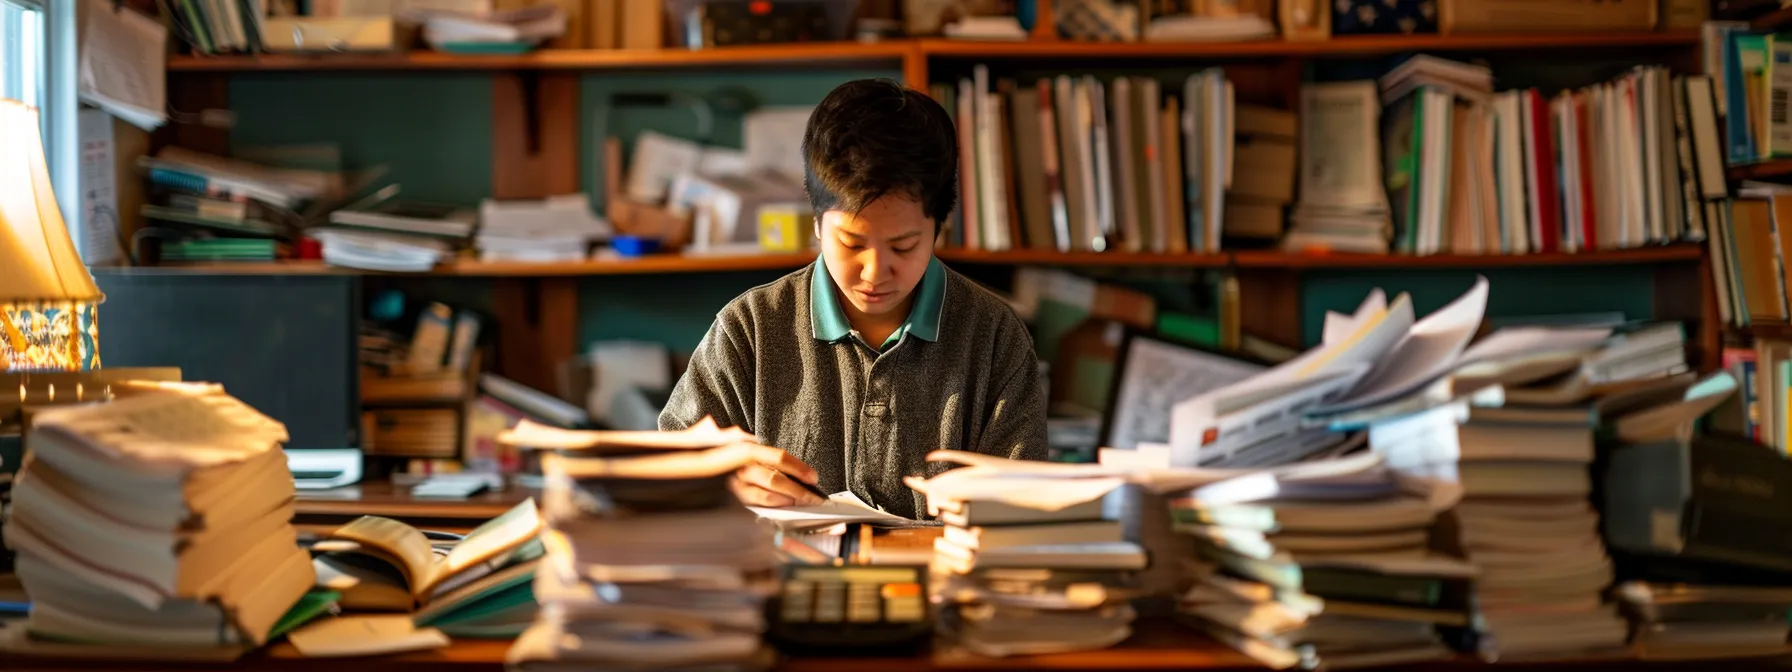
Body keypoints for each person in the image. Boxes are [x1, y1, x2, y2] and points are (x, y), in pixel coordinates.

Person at [658, 78, 1048, 519]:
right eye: (852, 243)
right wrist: (720, 479)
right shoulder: (749, 330)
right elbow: (670, 471)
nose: (874, 273)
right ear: (818, 223)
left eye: (903, 246)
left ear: (939, 225)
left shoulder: (994, 338)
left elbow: (1024, 510)